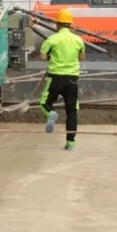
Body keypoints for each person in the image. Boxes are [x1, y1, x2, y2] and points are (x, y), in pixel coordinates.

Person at [40, 8, 86, 151]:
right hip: (72, 79)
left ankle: (50, 113)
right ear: (70, 25)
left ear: (57, 24)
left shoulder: (52, 39)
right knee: (72, 111)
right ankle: (70, 143)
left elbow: (42, 56)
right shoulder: (78, 40)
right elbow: (82, 57)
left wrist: (52, 57)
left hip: (55, 78)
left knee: (44, 102)